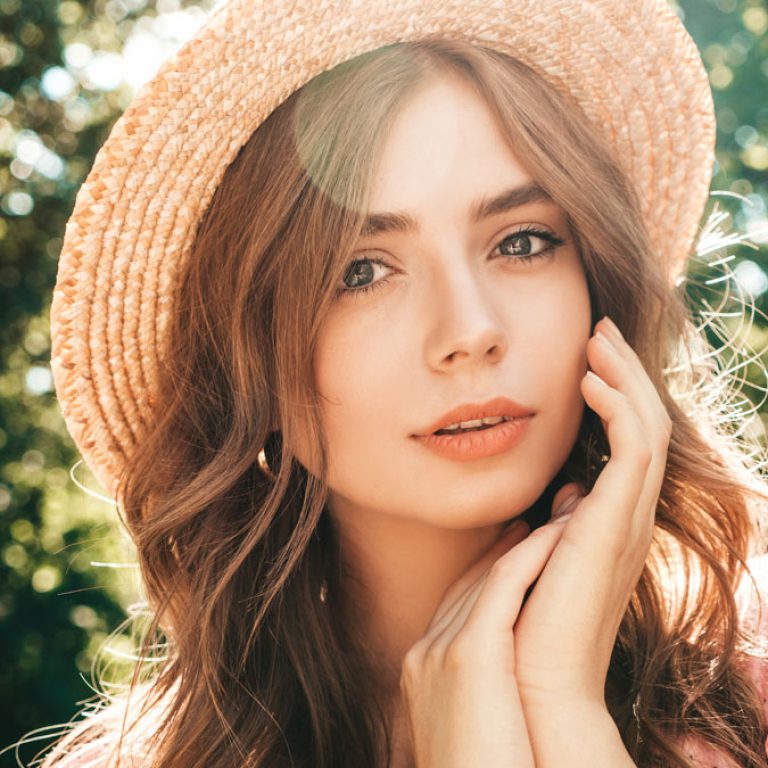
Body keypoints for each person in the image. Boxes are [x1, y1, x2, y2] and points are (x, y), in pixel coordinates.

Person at [26, 0, 768, 766]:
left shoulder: (752, 696)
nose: (470, 330)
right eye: (360, 272)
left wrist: (557, 700)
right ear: (250, 363)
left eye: (522, 241)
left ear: (596, 282)